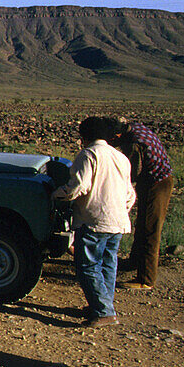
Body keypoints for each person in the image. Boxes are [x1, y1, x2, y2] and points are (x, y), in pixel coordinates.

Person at [53, 116, 136, 328]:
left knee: (88, 266)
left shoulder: (88, 154)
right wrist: (120, 211)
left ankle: (103, 311)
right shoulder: (120, 157)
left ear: (84, 136)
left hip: (94, 220)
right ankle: (103, 306)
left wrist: (57, 195)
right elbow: (130, 194)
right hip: (117, 221)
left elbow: (79, 187)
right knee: (108, 265)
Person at [112, 118, 174, 290]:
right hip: (155, 179)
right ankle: (134, 262)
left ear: (118, 135)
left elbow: (133, 173)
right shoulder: (135, 128)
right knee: (142, 224)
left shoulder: (133, 143)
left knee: (150, 230)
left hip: (157, 183)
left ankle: (146, 279)